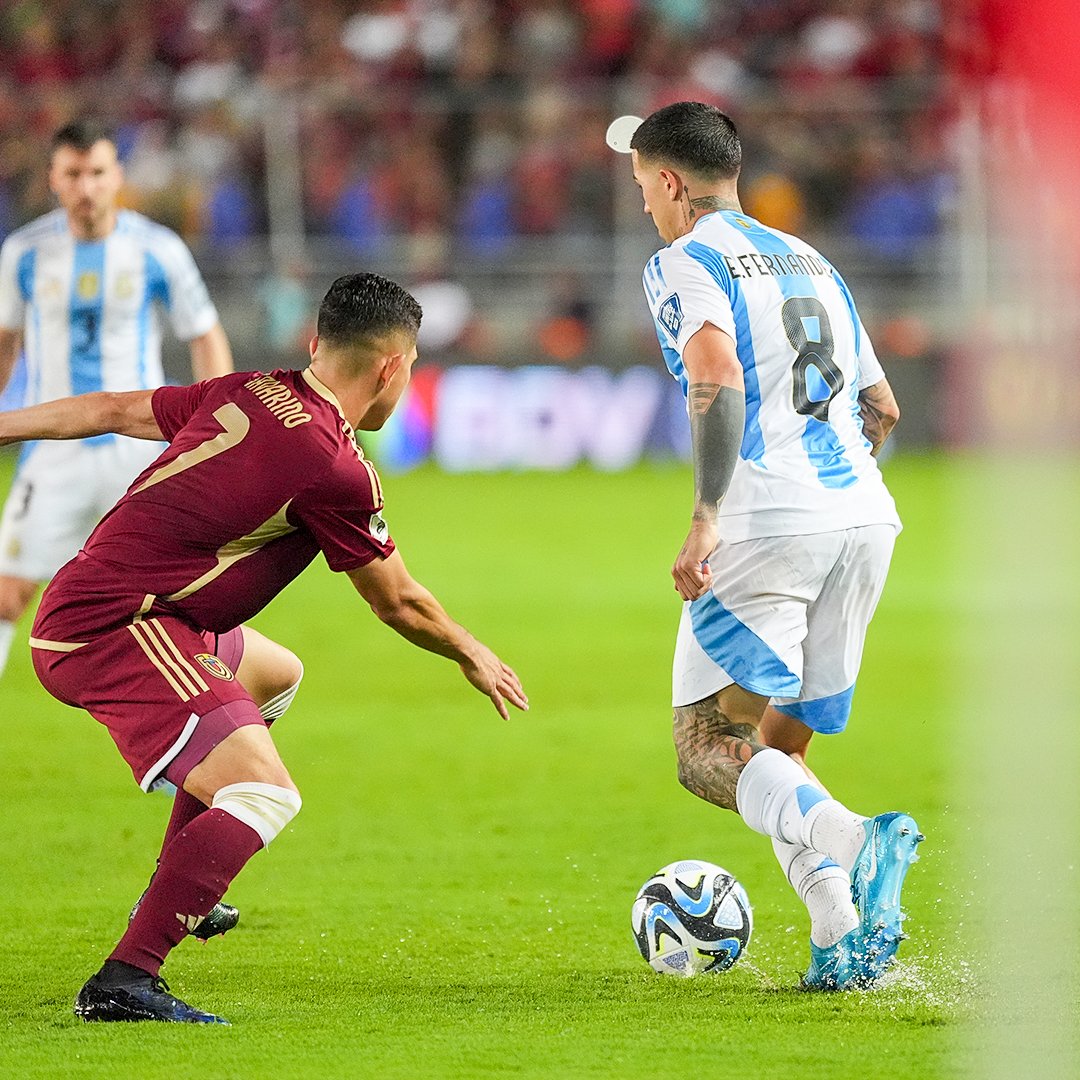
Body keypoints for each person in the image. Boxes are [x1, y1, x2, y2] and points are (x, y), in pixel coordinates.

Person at [0, 272, 528, 1024]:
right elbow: (398, 600)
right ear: (391, 368)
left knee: (277, 676)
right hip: (113, 626)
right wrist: (472, 651)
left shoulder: (250, 389)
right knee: (265, 794)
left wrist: (4, 423)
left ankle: (182, 884)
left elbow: (113, 408)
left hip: (136, 608)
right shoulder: (336, 469)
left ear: (315, 344)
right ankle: (125, 979)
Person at [617, 102, 921, 990]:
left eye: (642, 187)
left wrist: (709, 511)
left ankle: (857, 840)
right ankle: (840, 933)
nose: (643, 205)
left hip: (767, 522)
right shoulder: (812, 259)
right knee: (777, 751)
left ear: (671, 183)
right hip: (864, 517)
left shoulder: (683, 260)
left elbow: (714, 373)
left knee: (707, 744)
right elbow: (882, 407)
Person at [0, 118, 234, 679]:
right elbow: (6, 342)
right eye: (74, 173)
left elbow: (204, 333)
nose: (87, 187)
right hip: (52, 454)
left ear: (117, 177)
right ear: (53, 179)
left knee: (178, 599)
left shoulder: (157, 249)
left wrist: (221, 426)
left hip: (138, 451)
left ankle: (214, 713)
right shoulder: (24, 253)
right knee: (7, 595)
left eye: (98, 173)